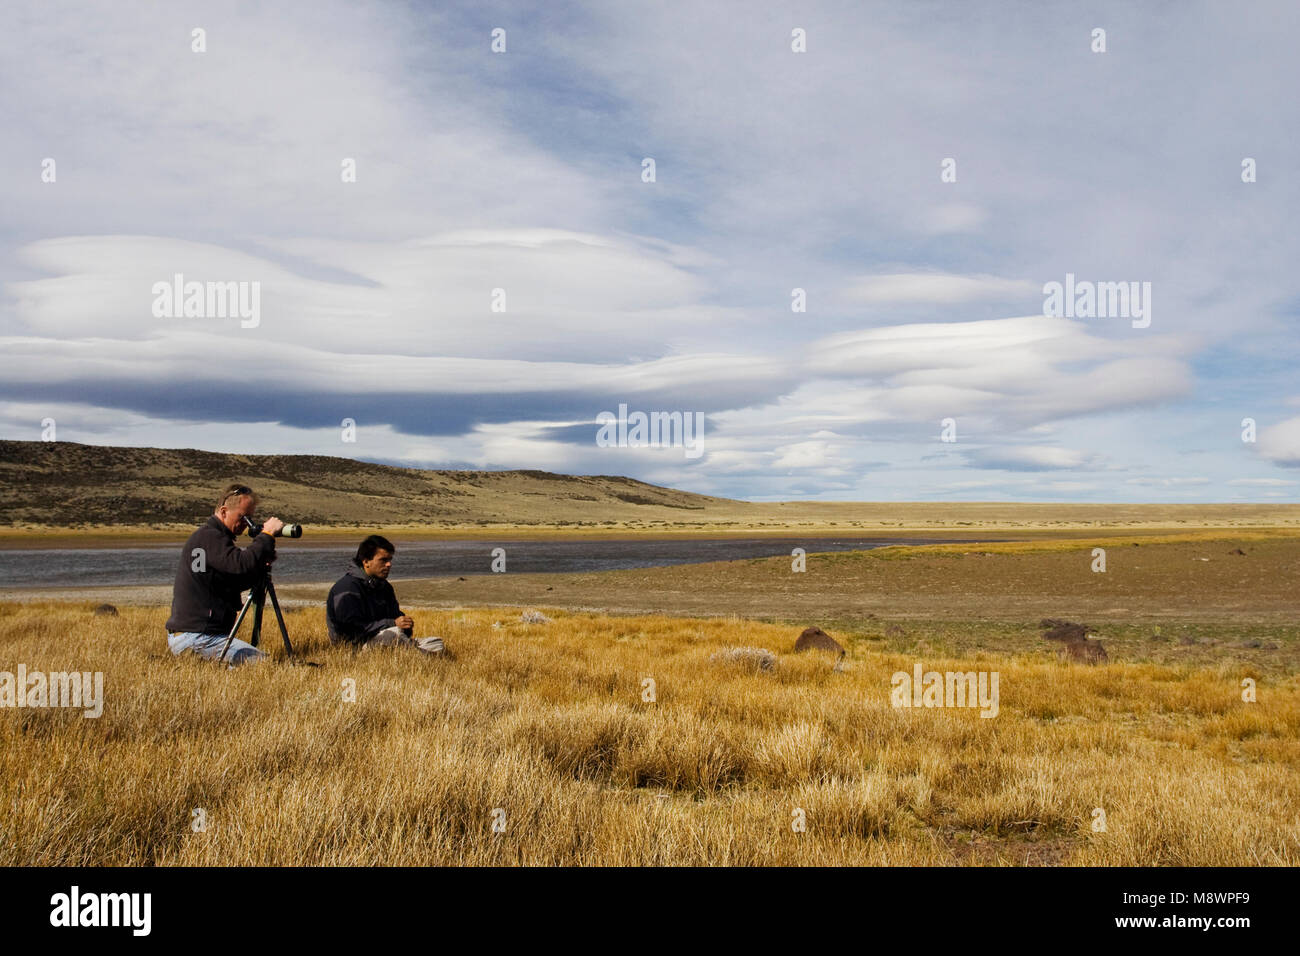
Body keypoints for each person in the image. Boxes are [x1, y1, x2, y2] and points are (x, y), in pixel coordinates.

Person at [165, 484, 284, 665]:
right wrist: (266, 535)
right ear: (224, 511)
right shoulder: (210, 537)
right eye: (243, 517)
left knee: (253, 666)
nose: (246, 523)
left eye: (250, 517)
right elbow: (241, 564)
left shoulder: (207, 538)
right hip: (198, 637)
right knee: (266, 665)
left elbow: (235, 578)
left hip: (193, 636)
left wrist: (260, 563)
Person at [326, 535, 449, 656]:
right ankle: (420, 657)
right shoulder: (347, 588)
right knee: (392, 635)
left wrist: (405, 625)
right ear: (366, 562)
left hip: (384, 640)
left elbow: (394, 616)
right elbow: (351, 630)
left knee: (436, 643)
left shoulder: (385, 587)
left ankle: (415, 654)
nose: (389, 565)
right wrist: (393, 624)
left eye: (390, 560)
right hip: (354, 649)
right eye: (383, 560)